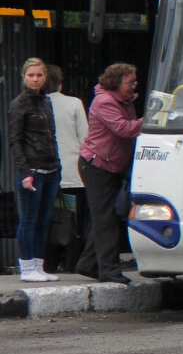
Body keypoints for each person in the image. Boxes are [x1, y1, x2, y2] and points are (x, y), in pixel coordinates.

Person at [76, 63, 143, 285]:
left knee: (106, 216)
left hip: (111, 166)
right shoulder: (104, 102)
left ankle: (88, 263)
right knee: (106, 220)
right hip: (97, 166)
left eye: (135, 82)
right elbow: (124, 129)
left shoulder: (125, 101)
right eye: (129, 83)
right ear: (115, 83)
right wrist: (152, 121)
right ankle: (109, 270)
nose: (133, 87)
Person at [8, 58, 62, 282]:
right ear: (24, 77)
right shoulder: (19, 104)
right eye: (31, 75)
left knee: (43, 220)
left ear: (45, 77)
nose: (35, 79)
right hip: (32, 171)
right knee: (29, 219)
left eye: (39, 75)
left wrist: (58, 164)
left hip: (51, 169)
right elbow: (15, 141)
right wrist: (25, 172)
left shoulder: (46, 101)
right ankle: (27, 267)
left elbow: (52, 135)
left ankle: (39, 266)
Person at [44, 65, 89, 273]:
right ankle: (73, 264)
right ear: (61, 83)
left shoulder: (38, 104)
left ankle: (50, 264)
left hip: (46, 174)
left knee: (50, 220)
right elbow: (85, 139)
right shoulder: (74, 104)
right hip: (73, 174)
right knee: (73, 222)